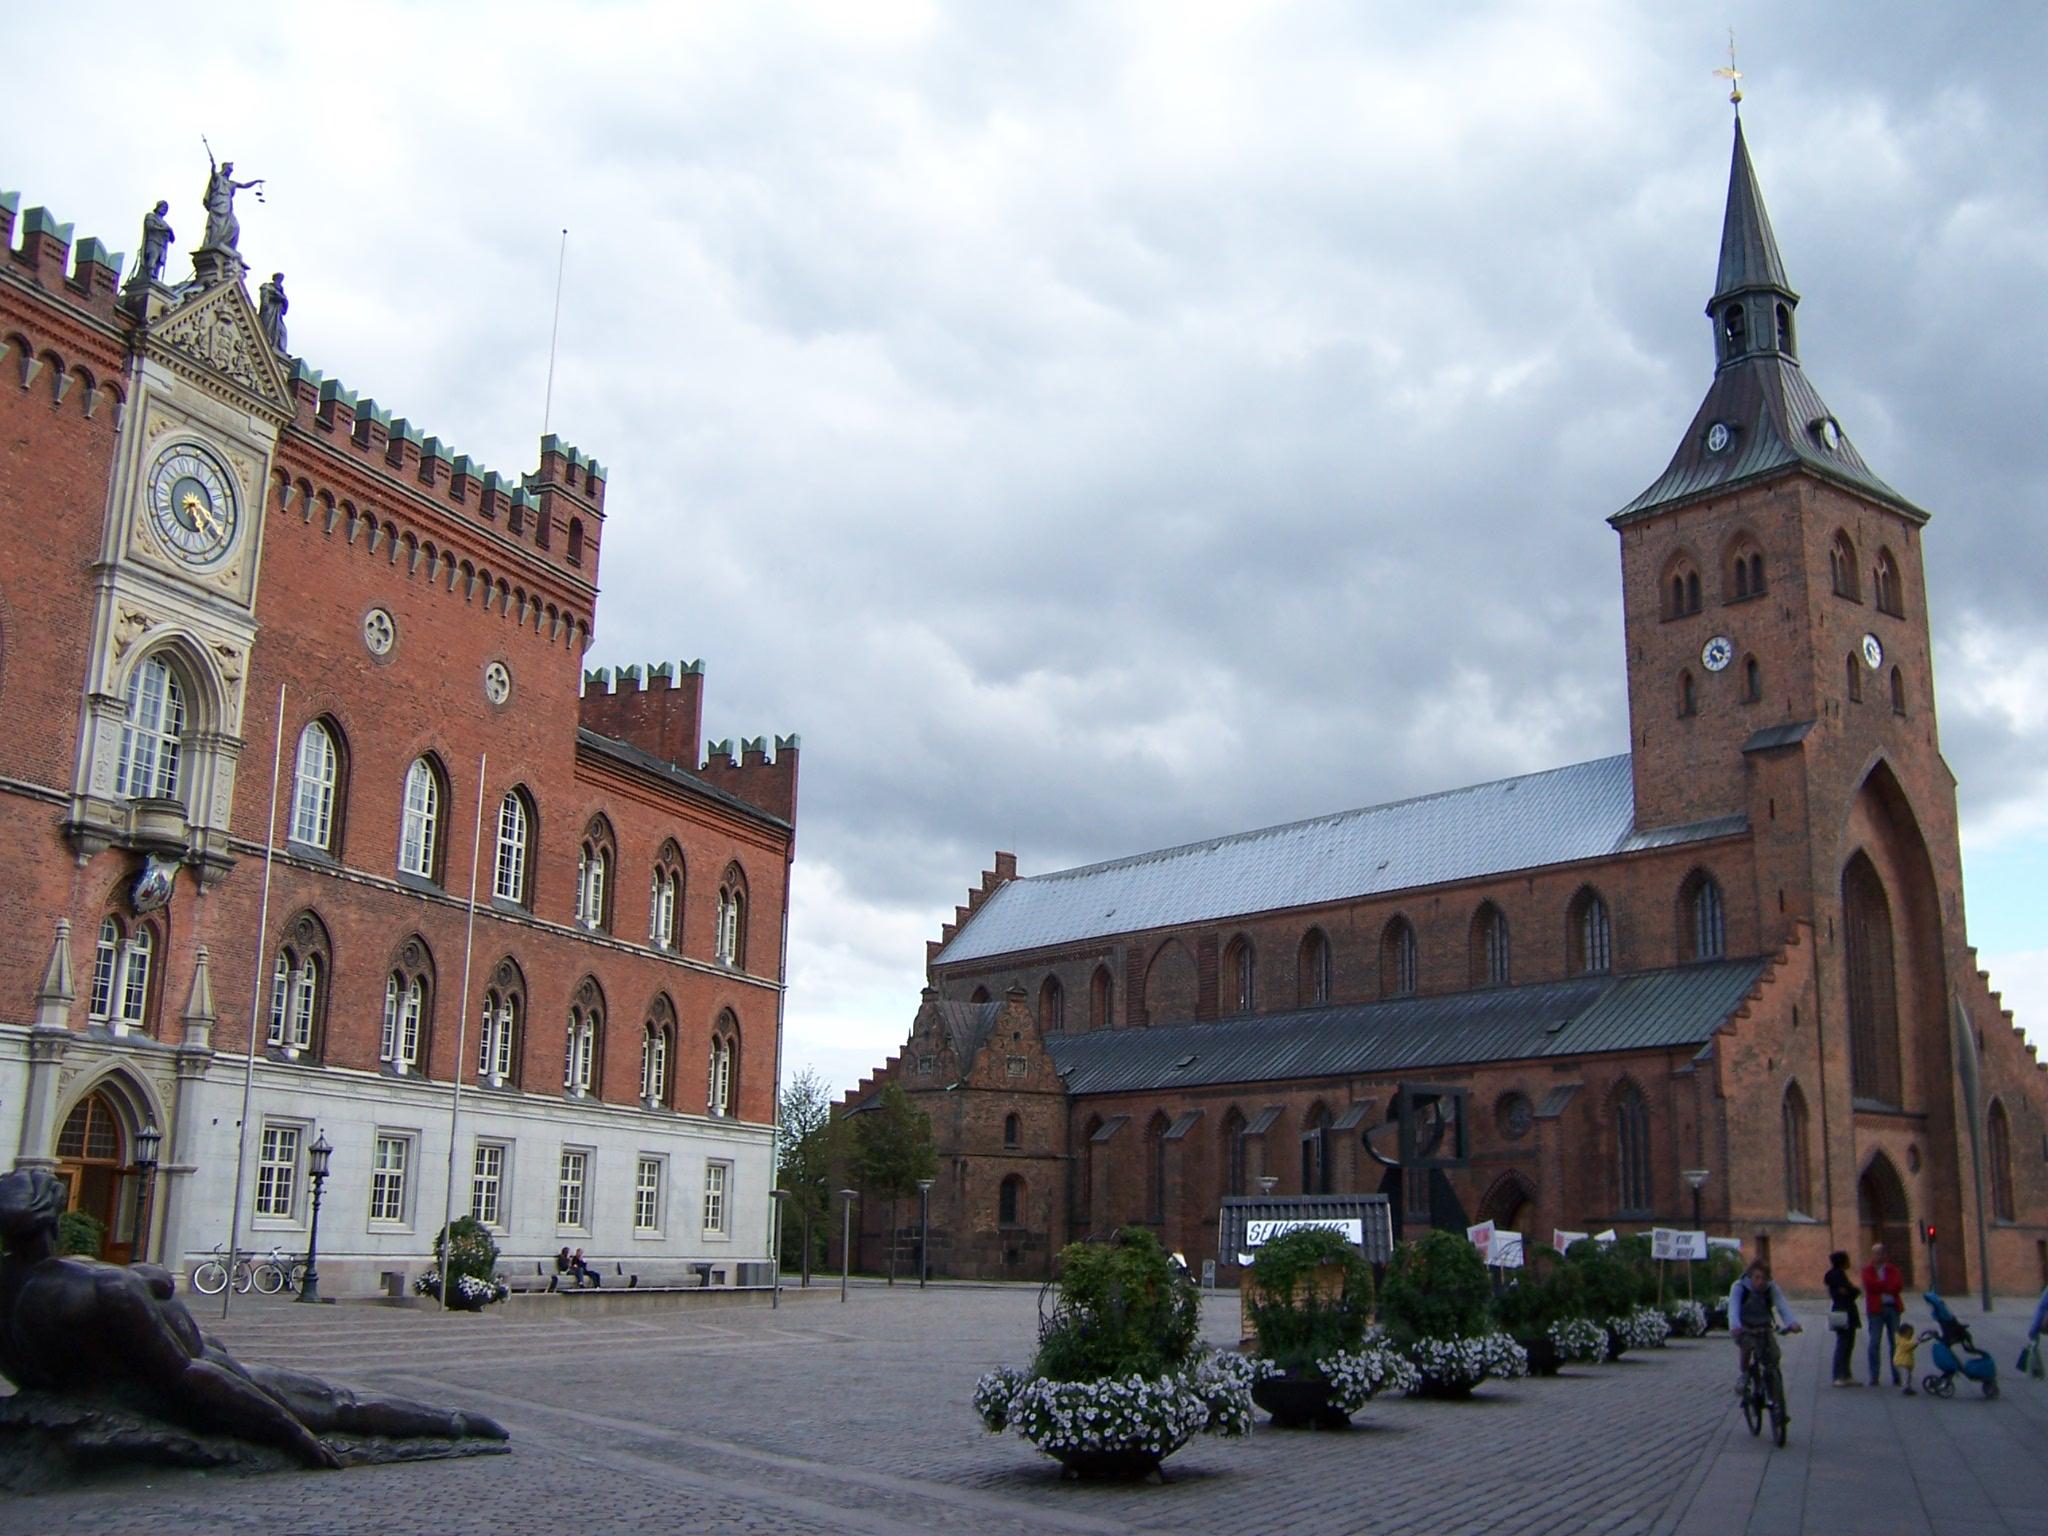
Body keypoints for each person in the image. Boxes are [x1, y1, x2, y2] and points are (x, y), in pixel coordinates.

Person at [0, 1167, 504, 1467]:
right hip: (206, 1384)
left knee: (339, 1405)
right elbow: (188, 1377)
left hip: (113, 1387)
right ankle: (457, 1426)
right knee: (341, 1408)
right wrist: (296, 1438)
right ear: (55, 1218)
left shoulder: (28, 1288)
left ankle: (459, 1425)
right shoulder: (101, 1287)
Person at [1728, 1258, 1802, 1398]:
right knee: (1747, 1347)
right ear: (1750, 1277)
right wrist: (1735, 1326)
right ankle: (1744, 1375)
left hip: (1764, 1327)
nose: (1761, 1281)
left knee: (1773, 1356)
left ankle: (1774, 1392)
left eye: (1764, 1278)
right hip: (1745, 1327)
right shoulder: (1739, 1287)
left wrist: (1792, 1323)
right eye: (1757, 1277)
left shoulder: (1771, 1288)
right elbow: (1733, 1308)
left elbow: (1782, 1306)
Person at [1862, 1243, 1905, 1386]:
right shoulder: (1867, 1270)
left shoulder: (1892, 1270)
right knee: (1874, 1342)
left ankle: (1896, 1374)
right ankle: (1874, 1375)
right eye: (1875, 1253)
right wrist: (1885, 1286)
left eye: (1880, 1253)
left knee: (1895, 1342)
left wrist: (1881, 1285)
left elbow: (1897, 1286)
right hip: (1875, 1310)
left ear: (1885, 1255)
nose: (1877, 1256)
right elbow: (1870, 1285)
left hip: (1892, 1308)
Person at [1824, 1251, 1862, 1386]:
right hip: (1843, 1310)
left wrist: (1851, 1291)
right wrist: (1853, 1291)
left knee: (1848, 1344)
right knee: (1843, 1344)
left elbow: (1848, 1291)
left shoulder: (1838, 1275)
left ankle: (1846, 1374)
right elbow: (1847, 1292)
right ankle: (1838, 1375)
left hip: (1846, 1310)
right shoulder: (1837, 1276)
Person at [1893, 1310, 1920, 1396]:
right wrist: (1916, 1342)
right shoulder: (1902, 1341)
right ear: (1904, 1334)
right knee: (1905, 1375)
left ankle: (1908, 1387)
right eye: (1910, 1334)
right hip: (1901, 1362)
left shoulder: (1906, 1340)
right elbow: (1907, 1346)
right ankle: (1905, 1388)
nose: (1911, 1336)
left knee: (1908, 1375)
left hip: (1906, 1362)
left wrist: (1916, 1342)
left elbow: (1911, 1345)